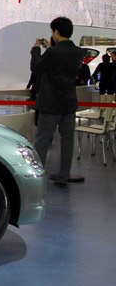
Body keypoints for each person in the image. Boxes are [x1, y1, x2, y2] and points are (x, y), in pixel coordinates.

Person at [30, 17, 85, 188]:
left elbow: (36, 67)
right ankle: (63, 175)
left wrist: (35, 50)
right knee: (67, 140)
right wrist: (50, 49)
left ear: (56, 32)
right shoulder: (78, 52)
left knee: (43, 139)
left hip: (51, 104)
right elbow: (60, 64)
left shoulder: (53, 53)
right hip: (69, 103)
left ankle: (37, 175)